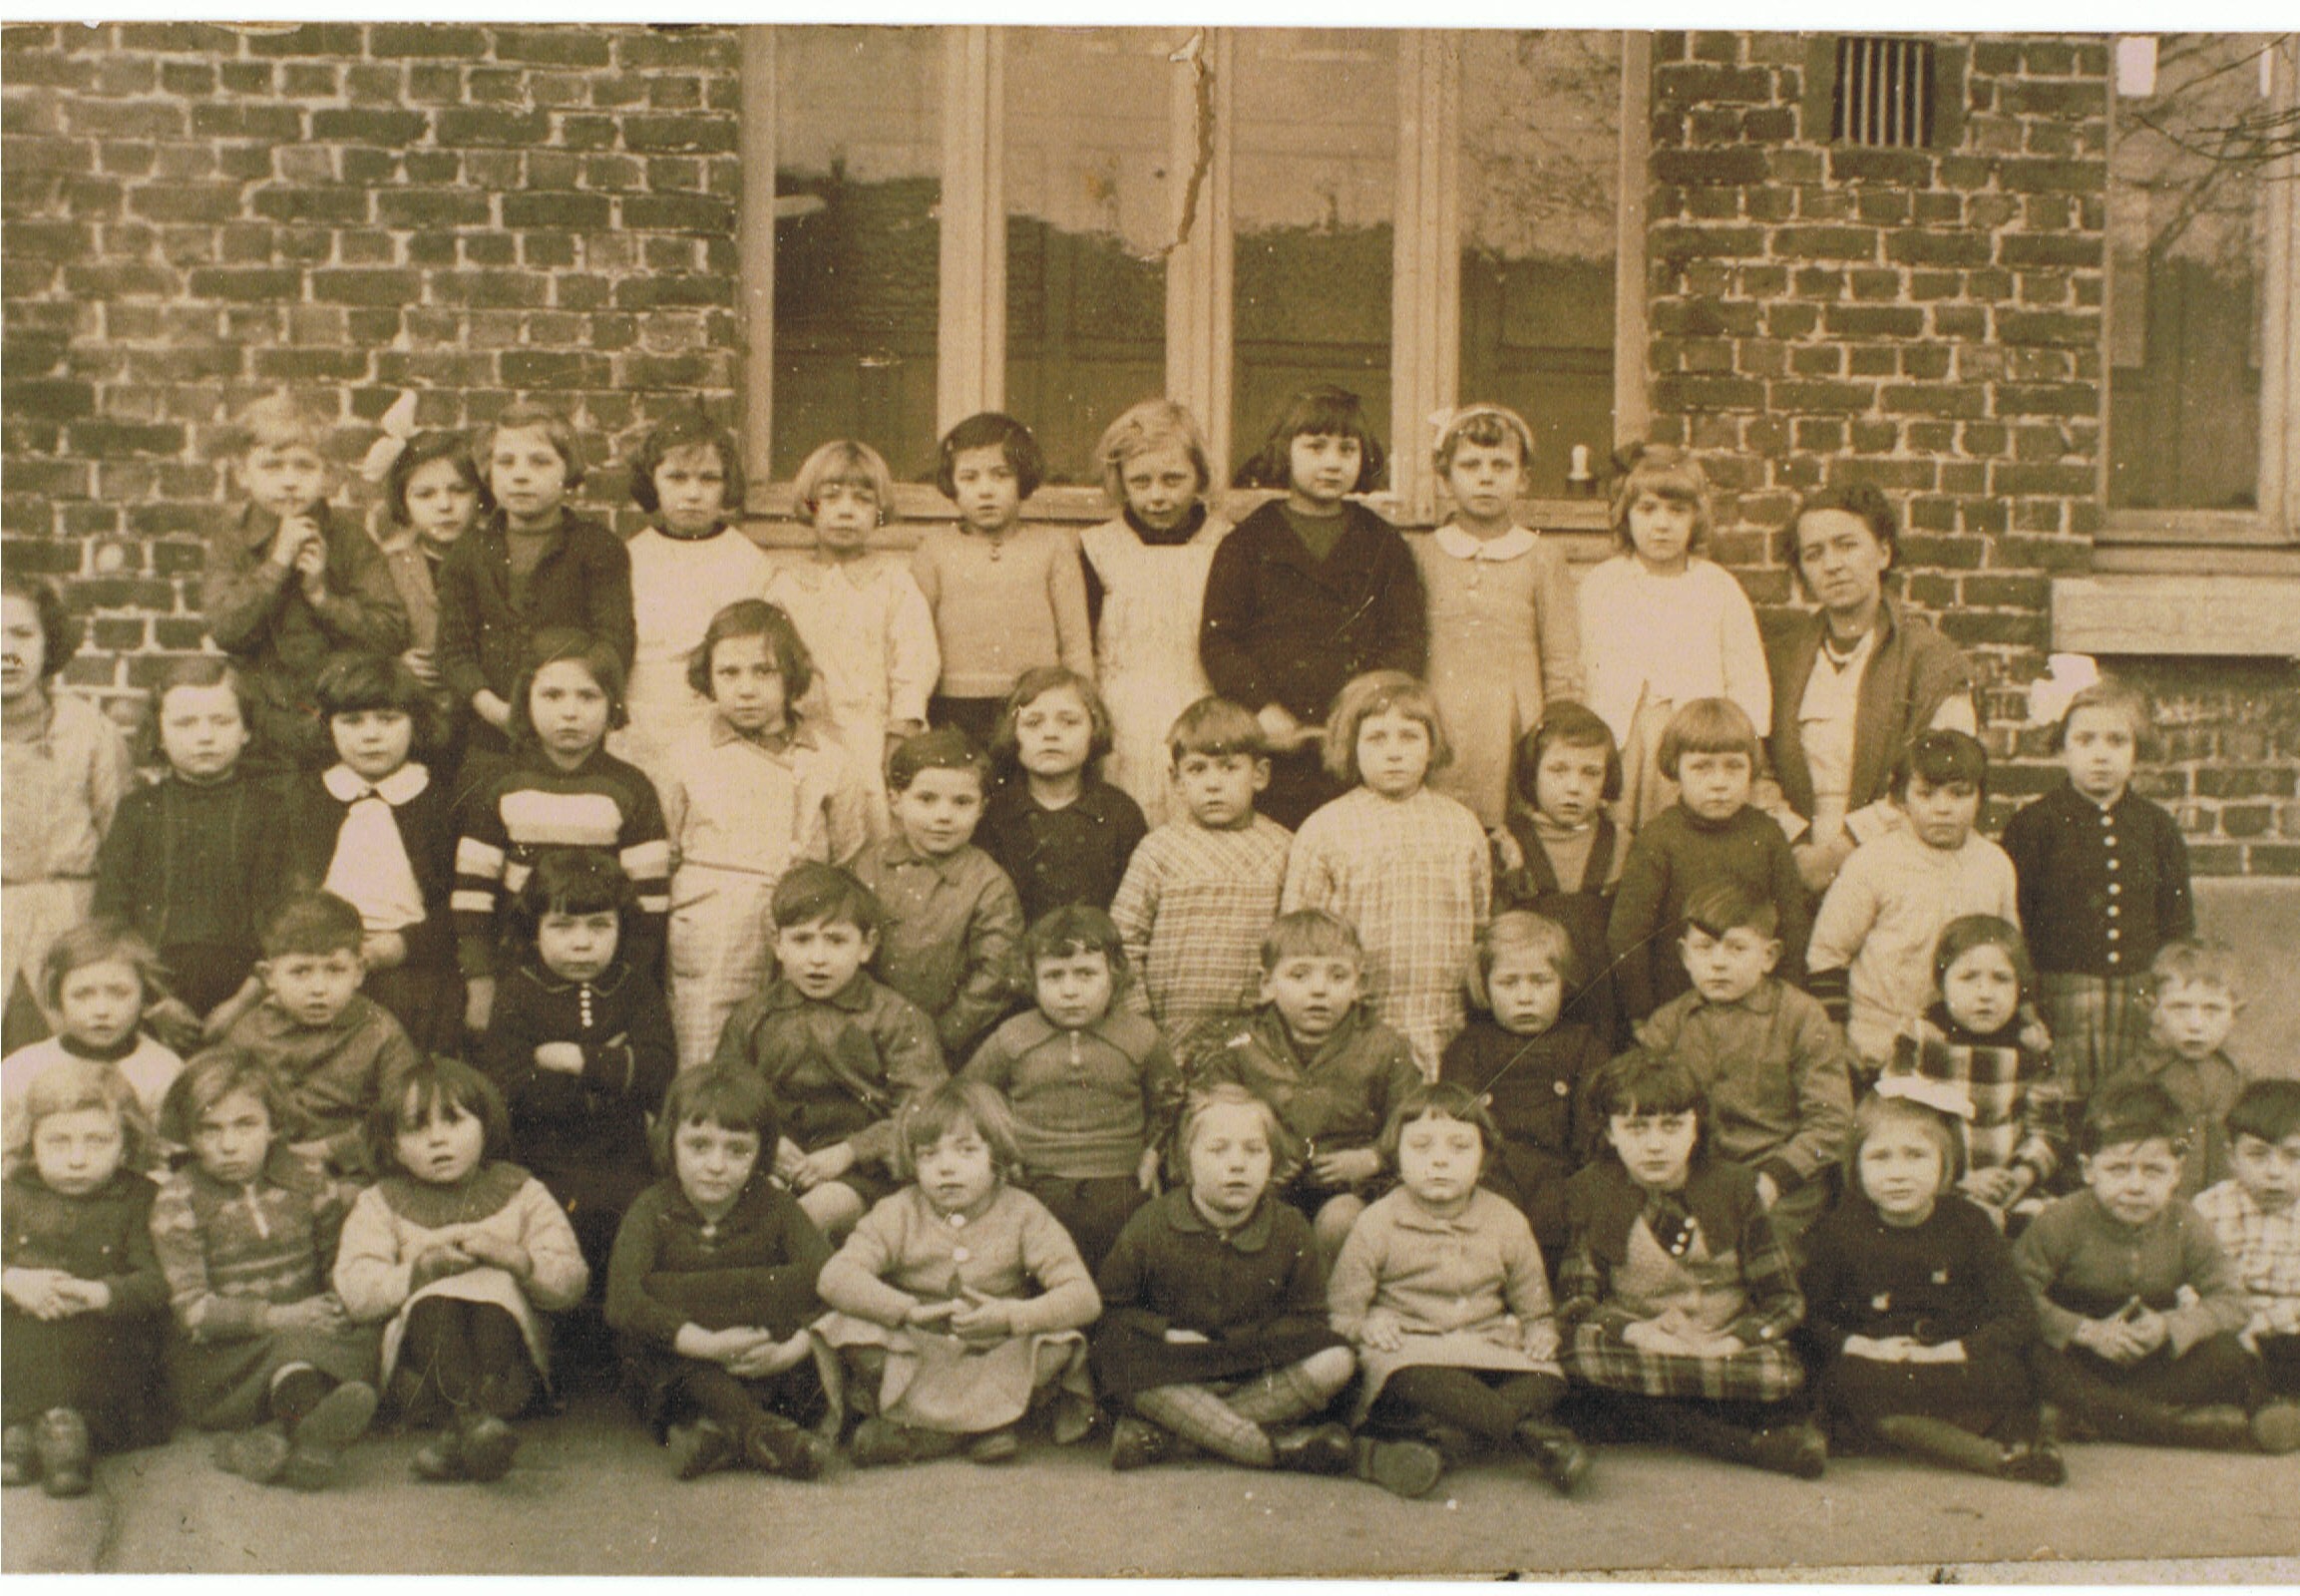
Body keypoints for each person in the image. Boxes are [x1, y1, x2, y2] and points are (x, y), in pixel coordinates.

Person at [1556, 1049, 1825, 1479]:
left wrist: (1732, 1341)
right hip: (1642, 1342)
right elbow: (1577, 1300)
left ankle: (1665, 1421)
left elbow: (1784, 1301)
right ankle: (1746, 1444)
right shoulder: (1590, 1190)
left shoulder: (1736, 1188)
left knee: (1779, 1373)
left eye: (1672, 1126)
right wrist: (1639, 1332)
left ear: (1696, 1126)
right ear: (1609, 1133)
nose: (1655, 1144)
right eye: (1636, 1128)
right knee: (1579, 1355)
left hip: (1721, 1342)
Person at [811, 1079, 1101, 1466]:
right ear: (912, 1162)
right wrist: (907, 1310)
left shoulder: (1023, 1212)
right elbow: (835, 1276)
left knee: (1059, 1343)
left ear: (996, 1156)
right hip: (919, 1349)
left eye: (967, 1150)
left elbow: (1083, 1296)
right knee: (845, 1326)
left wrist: (1010, 1317)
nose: (946, 1167)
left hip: (994, 1350)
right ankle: (981, 1428)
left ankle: (930, 1435)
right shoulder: (899, 1210)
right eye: (928, 1155)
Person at [334, 1057, 589, 1482]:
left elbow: (571, 1282)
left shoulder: (522, 1192)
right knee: (434, 1303)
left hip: (507, 1373)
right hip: (422, 1377)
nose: (438, 1140)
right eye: (416, 1128)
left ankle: (463, 1431)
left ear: (485, 1127)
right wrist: (419, 1271)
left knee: (493, 1294)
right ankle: (474, 1424)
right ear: (394, 1146)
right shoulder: (379, 1203)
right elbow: (356, 1291)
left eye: (453, 1121)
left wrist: (518, 1261)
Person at [1329, 1082, 1590, 1497]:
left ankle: (1436, 1445)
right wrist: (1369, 1323)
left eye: (1460, 1147)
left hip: (1483, 1348)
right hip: (1411, 1352)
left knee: (1549, 1379)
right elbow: (1343, 1313)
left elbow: (1535, 1306)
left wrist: (1539, 1330)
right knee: (1412, 1379)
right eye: (1421, 1147)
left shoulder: (1506, 1220)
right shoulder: (1377, 1222)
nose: (1439, 1161)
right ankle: (1532, 1437)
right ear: (1396, 1156)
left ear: (1485, 1159)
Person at [1089, 1084, 1362, 1479]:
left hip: (1253, 1363)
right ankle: (1271, 1452)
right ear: (1186, 1160)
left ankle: (1173, 1437)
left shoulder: (1290, 1227)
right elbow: (1113, 1310)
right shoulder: (1152, 1222)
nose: (1237, 1165)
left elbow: (1309, 1317)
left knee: (1336, 1359)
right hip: (1176, 1364)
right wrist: (1166, 1333)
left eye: (1254, 1150)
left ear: (1272, 1160)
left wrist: (1253, 1342)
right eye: (1218, 1150)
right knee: (1112, 1357)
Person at [2013, 1079, 2299, 1453]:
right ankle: (2178, 1429)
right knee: (2030, 1355)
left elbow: (2233, 1300)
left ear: (2176, 1173)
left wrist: (2170, 1327)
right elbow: (2013, 1294)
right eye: (2118, 1169)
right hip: (2078, 1350)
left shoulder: (2186, 1223)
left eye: (2153, 1171)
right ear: (2088, 1169)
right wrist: (2085, 1331)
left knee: (2228, 1354)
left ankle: (2096, 1415)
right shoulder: (2061, 1221)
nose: (2135, 1186)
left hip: (2149, 1353)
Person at [1798, 1085, 2062, 1483]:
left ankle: (1919, 1431)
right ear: (1856, 1166)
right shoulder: (1839, 1231)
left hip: (1950, 1362)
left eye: (1916, 1156)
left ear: (1945, 1163)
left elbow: (2018, 1314)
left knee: (2026, 1365)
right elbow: (1810, 1319)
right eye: (1880, 1158)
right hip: (1881, 1366)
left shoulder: (1969, 1222)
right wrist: (1867, 1347)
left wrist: (1949, 1352)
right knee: (1843, 1381)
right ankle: (1996, 1457)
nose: (1898, 1173)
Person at [148, 1048, 380, 1490]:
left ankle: (279, 1441)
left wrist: (336, 1304)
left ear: (274, 1124)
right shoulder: (180, 1199)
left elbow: (338, 1262)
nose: (229, 1145)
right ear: (188, 1136)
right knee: (293, 1353)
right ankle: (305, 1430)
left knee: (360, 1341)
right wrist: (277, 1317)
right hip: (226, 1355)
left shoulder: (308, 1178)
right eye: (209, 1130)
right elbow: (193, 1310)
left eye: (245, 1125)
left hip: (307, 1331)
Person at [656, 598, 874, 1067]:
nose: (746, 689)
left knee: (790, 1054)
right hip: (714, 932)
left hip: (801, 933)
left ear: (790, 675)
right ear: (708, 677)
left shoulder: (830, 760)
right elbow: (664, 853)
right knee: (707, 1054)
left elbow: (849, 856)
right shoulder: (686, 755)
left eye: (764, 672)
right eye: (729, 673)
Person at [1199, 386, 1426, 829]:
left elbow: (1407, 639)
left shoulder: (1384, 544)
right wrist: (1262, 709)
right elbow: (1219, 640)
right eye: (1316, 447)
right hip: (1275, 743)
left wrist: (1368, 709)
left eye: (1347, 449)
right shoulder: (1247, 542)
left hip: (1359, 742)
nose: (1332, 463)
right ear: (1284, 450)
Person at [604, 1064, 837, 1481]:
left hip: (768, 1364)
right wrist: (708, 1342)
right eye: (699, 1146)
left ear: (761, 1153)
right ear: (671, 1142)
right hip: (687, 1366)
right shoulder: (652, 1209)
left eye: (737, 1150)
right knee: (663, 1357)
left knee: (803, 1365)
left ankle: (717, 1441)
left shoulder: (777, 1207)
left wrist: (789, 1351)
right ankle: (758, 1432)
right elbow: (623, 1300)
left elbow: (830, 1283)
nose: (716, 1165)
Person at [478, 849, 675, 1334]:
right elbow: (510, 1088)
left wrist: (577, 1059)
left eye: (600, 926)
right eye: (562, 927)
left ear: (621, 927)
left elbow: (657, 1072)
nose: (582, 943)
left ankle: (624, 1341)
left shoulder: (635, 988)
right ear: (535, 930)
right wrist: (612, 1071)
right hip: (542, 1159)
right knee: (552, 1233)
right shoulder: (518, 992)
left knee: (635, 1229)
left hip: (623, 1157)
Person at [706, 863, 948, 1242]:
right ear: (777, 943)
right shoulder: (754, 1016)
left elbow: (923, 1107)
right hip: (773, 1158)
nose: (817, 958)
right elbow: (724, 1093)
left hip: (860, 1171)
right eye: (802, 940)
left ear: (866, 945)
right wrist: (766, 1143)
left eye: (836, 941)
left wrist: (850, 1152)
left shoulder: (894, 1018)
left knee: (815, 1214)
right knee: (748, 1207)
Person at [452, 629, 670, 1034]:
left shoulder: (631, 789)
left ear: (613, 704)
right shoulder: (499, 785)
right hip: (516, 973)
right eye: (552, 696)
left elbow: (649, 907)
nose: (570, 712)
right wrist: (481, 983)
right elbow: (472, 895)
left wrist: (626, 987)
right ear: (525, 700)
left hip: (603, 976)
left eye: (588, 697)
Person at [1762, 483, 1977, 897]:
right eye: (1814, 554)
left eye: (1847, 546)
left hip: (1897, 859)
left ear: (1883, 553)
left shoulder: (1932, 661)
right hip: (1794, 862)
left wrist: (1842, 851)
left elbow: (1942, 775)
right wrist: (1797, 846)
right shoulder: (1782, 660)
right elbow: (1756, 768)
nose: (1832, 565)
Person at [1179, 910, 1422, 1271]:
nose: (1319, 989)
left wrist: (1373, 1158)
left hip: (1351, 1187)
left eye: (1338, 976)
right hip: (1265, 1182)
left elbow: (1413, 1118)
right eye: (1299, 975)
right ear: (1267, 984)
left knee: (1341, 1221)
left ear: (1359, 985)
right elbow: (1206, 1115)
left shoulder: (1384, 1046)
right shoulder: (1241, 1043)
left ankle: (1327, 1299)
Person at [1284, 670, 1491, 1074]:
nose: (1394, 753)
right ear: (1351, 746)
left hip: (1445, 1021)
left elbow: (1480, 926)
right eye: (1377, 738)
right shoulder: (1325, 828)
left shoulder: (1462, 825)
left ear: (1432, 746)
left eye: (1409, 737)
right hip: (1357, 1028)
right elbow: (1298, 936)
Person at [2001, 673, 2193, 1107]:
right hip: (2060, 1001)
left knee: (2133, 1106)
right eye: (2085, 740)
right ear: (2062, 748)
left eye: (2116, 741)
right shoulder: (2034, 825)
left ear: (2137, 750)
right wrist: (2027, 1005)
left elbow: (2178, 925)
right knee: (2063, 1108)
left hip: (2137, 1002)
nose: (2101, 754)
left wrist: (2172, 996)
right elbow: (2016, 926)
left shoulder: (2157, 827)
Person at [1633, 881, 1855, 1254]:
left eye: (1737, 948)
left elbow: (1832, 1121)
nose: (1718, 962)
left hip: (1781, 1181)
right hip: (1692, 1178)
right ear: (1685, 956)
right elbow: (1641, 1105)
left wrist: (1776, 1178)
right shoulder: (1668, 1024)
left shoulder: (1801, 1017)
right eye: (1705, 948)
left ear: (1769, 956)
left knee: (1763, 1248)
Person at [961, 905, 1182, 1275]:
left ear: (1114, 974)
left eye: (1085, 974)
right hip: (1034, 1182)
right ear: (1032, 980)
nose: (1070, 991)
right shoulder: (1013, 1037)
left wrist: (1151, 1156)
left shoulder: (1140, 1036)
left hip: (1120, 1184)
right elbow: (971, 1096)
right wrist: (1003, 1156)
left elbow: (1170, 1101)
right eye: (1054, 976)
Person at [202, 390, 409, 775]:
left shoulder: (348, 539)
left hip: (335, 721)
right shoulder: (232, 539)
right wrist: (277, 564)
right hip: (257, 720)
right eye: (272, 467)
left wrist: (322, 597)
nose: (289, 481)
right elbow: (226, 629)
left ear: (327, 475)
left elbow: (392, 632)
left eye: (304, 467)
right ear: (243, 473)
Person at [1576, 443, 1768, 833]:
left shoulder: (1717, 587)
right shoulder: (1601, 585)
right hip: (1622, 735)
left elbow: (1747, 674)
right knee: (1620, 831)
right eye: (1647, 510)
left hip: (1697, 740)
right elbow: (1579, 665)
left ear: (1696, 518)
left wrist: (1745, 740)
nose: (1661, 524)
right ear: (1625, 516)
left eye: (1677, 511)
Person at [0, 1059, 171, 1496]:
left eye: (98, 1141)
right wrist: (12, 1282)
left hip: (105, 1345)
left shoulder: (141, 1198)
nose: (77, 1159)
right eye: (58, 1142)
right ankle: (27, 1427)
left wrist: (98, 1293)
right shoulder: (10, 1195)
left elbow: (159, 1282)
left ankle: (48, 1429)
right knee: (21, 1333)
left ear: (126, 1143)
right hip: (22, 1336)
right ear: (30, 1141)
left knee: (88, 1339)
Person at [1805, 728, 2020, 1075]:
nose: (1943, 808)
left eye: (1959, 794)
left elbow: (2009, 955)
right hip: (1878, 1042)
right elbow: (1827, 953)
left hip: (1962, 1044)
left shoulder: (1995, 865)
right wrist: (1837, 1038)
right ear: (1902, 800)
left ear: (1980, 797)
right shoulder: (1873, 861)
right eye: (1926, 794)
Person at [92, 658, 287, 1032]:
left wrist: (242, 1004)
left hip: (251, 1000)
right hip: (151, 999)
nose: (205, 737)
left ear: (246, 730)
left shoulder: (271, 810)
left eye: (222, 721)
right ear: (160, 735)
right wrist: (153, 1003)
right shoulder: (138, 812)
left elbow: (285, 918)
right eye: (185, 723)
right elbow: (111, 918)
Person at [435, 401, 634, 761]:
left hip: (572, 734)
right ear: (488, 472)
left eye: (540, 462)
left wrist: (567, 707)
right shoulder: (468, 552)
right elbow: (454, 650)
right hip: (487, 735)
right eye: (505, 462)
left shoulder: (597, 547)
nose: (520, 475)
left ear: (568, 471)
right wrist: (494, 708)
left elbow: (614, 642)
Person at [1413, 403, 1582, 830]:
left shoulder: (1542, 557)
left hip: (1514, 722)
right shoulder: (1424, 554)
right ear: (1445, 479)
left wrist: (1559, 734)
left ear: (1523, 479)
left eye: (1501, 466)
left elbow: (1561, 657)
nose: (1486, 478)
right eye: (1470, 465)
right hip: (1442, 716)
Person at [288, 651, 463, 1053]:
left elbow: (458, 903)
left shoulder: (438, 802)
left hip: (416, 971)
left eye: (387, 719)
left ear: (416, 723)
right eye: (352, 721)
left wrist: (401, 946)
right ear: (327, 726)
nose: (371, 735)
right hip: (324, 969)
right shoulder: (307, 799)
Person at [1606, 696, 1808, 1024]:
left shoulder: (1768, 835)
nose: (1719, 783)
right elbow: (1628, 936)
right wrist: (1643, 1016)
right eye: (1702, 767)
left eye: (1734, 767)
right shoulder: (1659, 838)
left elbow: (1792, 927)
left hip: (1756, 1013)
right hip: (1677, 1013)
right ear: (1676, 769)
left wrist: (1785, 1010)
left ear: (1752, 770)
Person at [1077, 399, 1234, 826]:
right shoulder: (1099, 548)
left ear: (1199, 476)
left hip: (1203, 706)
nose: (1157, 496)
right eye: (1141, 482)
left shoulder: (1226, 543)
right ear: (1121, 482)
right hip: (1122, 715)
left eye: (1173, 479)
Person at [764, 438, 938, 801]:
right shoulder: (785, 587)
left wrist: (901, 731)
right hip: (802, 733)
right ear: (810, 505)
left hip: (872, 736)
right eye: (830, 497)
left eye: (862, 500)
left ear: (879, 511)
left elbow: (915, 660)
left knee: (871, 812)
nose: (846, 511)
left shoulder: (894, 583)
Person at [1108, 696, 1292, 1038]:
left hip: (1258, 1033)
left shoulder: (1283, 849)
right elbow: (1123, 940)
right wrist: (1141, 1021)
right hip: (1168, 1031)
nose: (1213, 784)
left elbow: (1294, 945)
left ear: (1260, 775)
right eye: (1197, 769)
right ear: (1177, 780)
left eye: (1228, 767)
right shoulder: (1158, 851)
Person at [2, 573, 132, 1052]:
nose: (7, 652)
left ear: (48, 643)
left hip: (71, 925)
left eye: (22, 634)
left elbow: (123, 846)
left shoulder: (90, 732)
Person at [911, 412, 1091, 748]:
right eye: (969, 478)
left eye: (1001, 475)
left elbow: (1075, 643)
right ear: (952, 485)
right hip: (953, 706)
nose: (985, 491)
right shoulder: (934, 549)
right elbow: (915, 638)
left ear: (1023, 479)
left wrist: (1083, 707)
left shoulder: (1054, 547)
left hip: (1037, 704)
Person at [611, 409, 772, 781]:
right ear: (653, 481)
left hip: (715, 723)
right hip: (640, 722)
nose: (693, 494)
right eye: (677, 478)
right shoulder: (630, 557)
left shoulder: (747, 561)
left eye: (709, 479)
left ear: (726, 485)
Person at [1437, 911, 1608, 1261]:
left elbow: (1592, 1130)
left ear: (1563, 983)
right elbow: (1459, 1124)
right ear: (1485, 987)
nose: (1525, 997)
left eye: (1541, 981)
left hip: (1561, 1182)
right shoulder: (1469, 1048)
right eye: (1509, 983)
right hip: (1490, 1180)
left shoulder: (1583, 1046)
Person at [218, 891, 419, 1178]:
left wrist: (329, 1149)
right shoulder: (248, 1033)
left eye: (335, 970)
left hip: (355, 1171)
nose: (319, 988)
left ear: (359, 972)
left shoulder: (381, 1032)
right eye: (301, 971)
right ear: (269, 976)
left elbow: (404, 1113)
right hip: (265, 1168)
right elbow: (220, 1104)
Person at [853, 728, 1024, 1060]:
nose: (943, 816)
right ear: (895, 801)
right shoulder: (870, 867)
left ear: (982, 808)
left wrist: (940, 1037)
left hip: (948, 1044)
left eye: (962, 802)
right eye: (927, 799)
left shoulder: (989, 884)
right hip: (868, 1035)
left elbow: (996, 976)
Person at [1885, 916, 2064, 1223]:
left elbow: (2048, 1131)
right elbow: (1896, 1123)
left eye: (2001, 979)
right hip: (1937, 1188)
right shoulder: (1921, 1039)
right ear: (1942, 984)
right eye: (1968, 978)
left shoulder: (2032, 1048)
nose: (1985, 993)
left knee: (2047, 1222)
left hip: (2011, 1189)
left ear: (2019, 987)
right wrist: (1954, 1181)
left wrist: (2019, 1177)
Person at [1493, 702, 1628, 1045]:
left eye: (1590, 773)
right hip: (1527, 1005)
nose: (1574, 787)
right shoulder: (1509, 844)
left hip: (1603, 1007)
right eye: (1558, 770)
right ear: (1532, 773)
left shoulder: (1621, 844)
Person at [977, 665, 1146, 924]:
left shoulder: (1121, 813)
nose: (1051, 734)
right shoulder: (995, 814)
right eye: (1033, 723)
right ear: (1013, 733)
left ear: (1094, 730)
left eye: (1069, 721)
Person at [1, 921, 184, 1145]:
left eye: (119, 993)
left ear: (145, 995)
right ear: (57, 997)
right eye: (82, 994)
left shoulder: (164, 1070)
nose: (101, 1010)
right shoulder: (21, 1070)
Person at [371, 427, 486, 776]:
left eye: (459, 491)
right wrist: (396, 664)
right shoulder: (388, 563)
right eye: (425, 494)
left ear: (479, 494)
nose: (444, 506)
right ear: (403, 502)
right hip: (413, 721)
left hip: (481, 722)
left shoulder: (497, 557)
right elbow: (366, 634)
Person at [2192, 1079, 2300, 1396]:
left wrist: (2262, 1324)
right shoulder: (2209, 1208)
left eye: (2293, 1156)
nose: (2274, 1171)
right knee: (2213, 1355)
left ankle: (2272, 1405)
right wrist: (2220, 1323)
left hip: (2288, 1333)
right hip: (2225, 1333)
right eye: (2258, 1155)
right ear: (2232, 1157)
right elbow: (2188, 1282)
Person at [2118, 940, 2246, 1200]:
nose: (2195, 1024)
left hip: (2223, 1207)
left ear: (2236, 1014)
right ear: (2153, 1010)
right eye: (2180, 1008)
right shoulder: (2135, 1078)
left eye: (2212, 1009)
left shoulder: (2239, 1079)